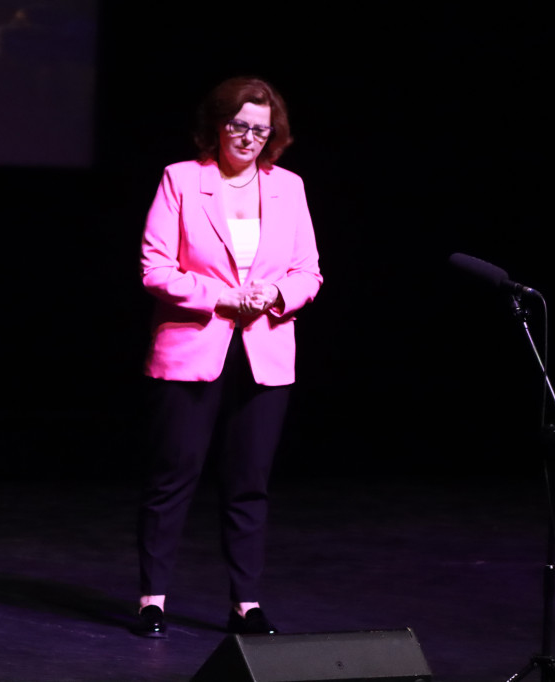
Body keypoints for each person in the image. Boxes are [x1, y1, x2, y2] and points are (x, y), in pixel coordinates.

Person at [131, 76, 322, 638]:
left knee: (249, 482)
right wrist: (221, 295)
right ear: (217, 124)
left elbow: (308, 271)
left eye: (260, 130)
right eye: (238, 125)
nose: (248, 137)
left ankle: (246, 602)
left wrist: (277, 295)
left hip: (264, 349)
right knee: (173, 477)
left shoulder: (290, 187)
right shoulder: (183, 180)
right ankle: (152, 598)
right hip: (194, 347)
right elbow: (155, 267)